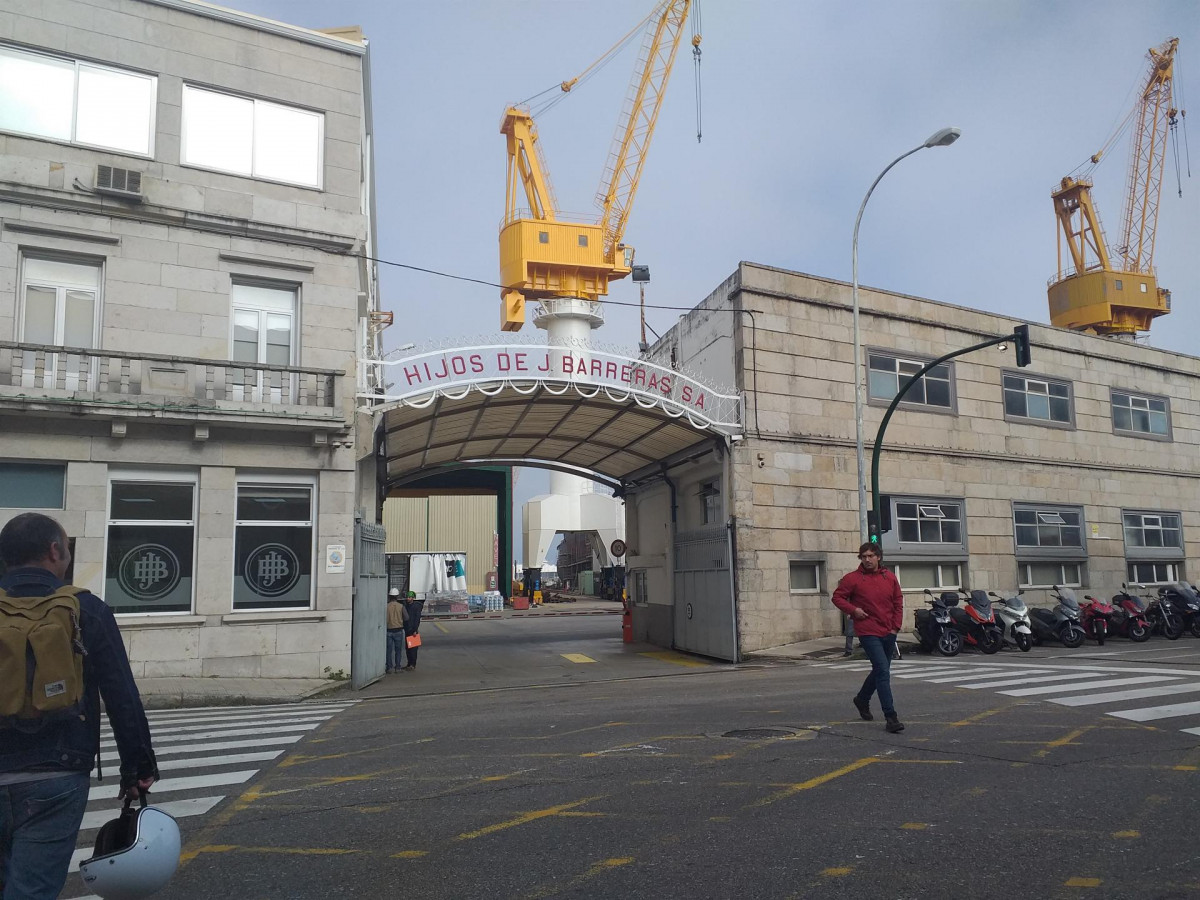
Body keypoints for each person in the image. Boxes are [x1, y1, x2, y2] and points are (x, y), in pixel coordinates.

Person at [0, 513, 159, 899]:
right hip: (58, 772)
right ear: (55, 551)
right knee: (32, 889)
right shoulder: (87, 609)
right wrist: (137, 768)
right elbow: (122, 696)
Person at [831, 543, 905, 733]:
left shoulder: (889, 577)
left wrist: (895, 628)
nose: (867, 559)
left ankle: (862, 699)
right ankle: (891, 717)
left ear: (878, 557)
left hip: (888, 630)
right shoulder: (852, 578)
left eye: (871, 556)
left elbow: (898, 602)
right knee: (883, 671)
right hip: (867, 631)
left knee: (881, 670)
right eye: (864, 556)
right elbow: (837, 597)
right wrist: (853, 610)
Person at [385, 588, 408, 674]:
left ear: (389, 596)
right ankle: (398, 667)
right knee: (398, 650)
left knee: (389, 650)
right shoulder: (401, 606)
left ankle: (389, 668)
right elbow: (406, 618)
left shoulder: (386, 606)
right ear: (397, 596)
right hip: (398, 630)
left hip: (388, 630)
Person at [400, 591, 424, 671]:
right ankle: (409, 663)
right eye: (407, 597)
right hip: (407, 629)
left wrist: (415, 629)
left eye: (409, 597)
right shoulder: (406, 606)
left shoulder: (416, 607)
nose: (408, 598)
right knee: (408, 648)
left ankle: (413, 664)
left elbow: (417, 619)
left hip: (413, 630)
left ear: (413, 598)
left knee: (413, 649)